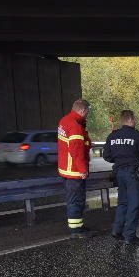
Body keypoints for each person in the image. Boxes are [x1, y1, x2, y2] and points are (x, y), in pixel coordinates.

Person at [103, 110, 139, 246]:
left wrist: (120, 159)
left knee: (123, 203)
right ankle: (130, 236)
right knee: (135, 203)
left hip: (119, 173)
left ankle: (116, 230)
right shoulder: (138, 136)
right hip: (133, 174)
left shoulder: (113, 136)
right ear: (131, 119)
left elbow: (106, 156)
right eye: (134, 119)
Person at [57, 99, 92, 237]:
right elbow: (76, 151)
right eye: (87, 111)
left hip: (66, 169)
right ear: (83, 111)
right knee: (76, 200)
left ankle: (78, 226)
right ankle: (76, 231)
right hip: (74, 171)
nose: (88, 114)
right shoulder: (75, 126)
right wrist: (83, 170)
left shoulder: (64, 120)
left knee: (74, 199)